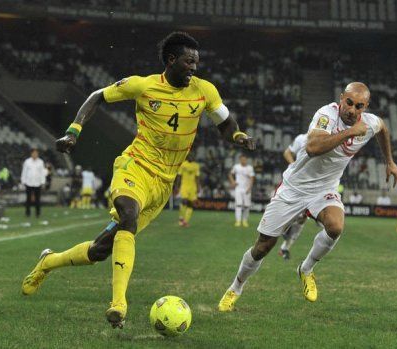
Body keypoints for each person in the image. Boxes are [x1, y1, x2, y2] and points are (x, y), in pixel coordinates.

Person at [21, 32, 255, 328]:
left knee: (99, 250)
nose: (194, 67)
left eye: (196, 62)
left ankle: (48, 262)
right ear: (171, 60)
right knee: (128, 217)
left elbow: (225, 122)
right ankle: (118, 305)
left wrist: (238, 135)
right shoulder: (143, 86)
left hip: (163, 184)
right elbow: (97, 96)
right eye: (189, 61)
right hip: (136, 166)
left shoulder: (204, 91)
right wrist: (74, 131)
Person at [218, 82, 397, 312]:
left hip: (324, 189)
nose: (352, 110)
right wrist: (350, 132)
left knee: (335, 227)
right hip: (293, 189)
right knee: (263, 246)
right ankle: (235, 288)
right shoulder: (326, 114)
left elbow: (383, 128)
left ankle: (305, 269)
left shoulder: (370, 122)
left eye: (359, 106)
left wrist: (390, 162)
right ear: (342, 98)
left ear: (366, 107)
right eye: (349, 103)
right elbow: (313, 147)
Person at [278, 133, 308, 260]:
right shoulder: (302, 138)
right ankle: (286, 227)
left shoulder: (328, 140)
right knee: (295, 213)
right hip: (295, 182)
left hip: (312, 185)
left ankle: (285, 247)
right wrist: (293, 164)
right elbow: (287, 152)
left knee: (303, 218)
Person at [229, 154, 255, 227]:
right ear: (240, 159)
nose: (243, 160)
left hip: (246, 188)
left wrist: (249, 187)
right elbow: (230, 174)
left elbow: (252, 178)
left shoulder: (249, 168)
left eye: (245, 159)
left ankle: (244, 221)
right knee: (238, 204)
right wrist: (232, 182)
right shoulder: (236, 167)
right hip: (238, 188)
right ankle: (238, 221)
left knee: (246, 206)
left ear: (246, 160)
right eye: (242, 159)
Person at [177, 153, 201, 227]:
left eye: (193, 156)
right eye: (190, 156)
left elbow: (197, 177)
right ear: (187, 156)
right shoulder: (183, 165)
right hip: (184, 186)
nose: (191, 157)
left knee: (191, 204)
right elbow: (179, 176)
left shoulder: (196, 166)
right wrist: (177, 186)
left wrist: (198, 187)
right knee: (184, 201)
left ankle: (185, 221)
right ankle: (181, 217)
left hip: (193, 187)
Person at [21, 148, 46, 218]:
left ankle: (37, 213)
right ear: (31, 154)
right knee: (28, 199)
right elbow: (24, 172)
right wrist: (23, 181)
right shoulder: (27, 161)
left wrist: (43, 182)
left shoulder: (41, 162)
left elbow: (42, 173)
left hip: (37, 183)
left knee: (37, 199)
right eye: (34, 153)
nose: (35, 154)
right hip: (28, 183)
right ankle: (27, 213)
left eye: (36, 153)